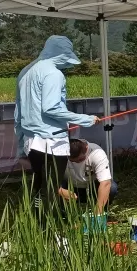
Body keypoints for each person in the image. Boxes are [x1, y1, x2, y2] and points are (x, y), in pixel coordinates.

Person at [14, 36, 99, 217]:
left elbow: (18, 111)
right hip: (51, 142)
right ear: (62, 53)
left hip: (32, 141)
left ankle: (36, 228)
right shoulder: (53, 74)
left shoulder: (26, 72)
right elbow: (52, 108)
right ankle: (49, 235)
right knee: (51, 189)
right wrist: (85, 119)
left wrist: (20, 142)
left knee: (39, 185)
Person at [60, 138, 117, 212]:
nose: (77, 162)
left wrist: (98, 213)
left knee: (112, 188)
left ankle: (102, 211)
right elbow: (47, 179)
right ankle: (62, 215)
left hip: (91, 188)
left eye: (80, 159)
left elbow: (105, 183)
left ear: (86, 148)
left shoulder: (97, 153)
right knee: (52, 189)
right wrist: (60, 191)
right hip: (69, 186)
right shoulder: (59, 153)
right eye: (72, 161)